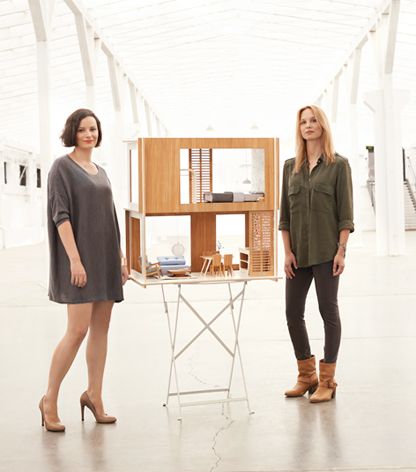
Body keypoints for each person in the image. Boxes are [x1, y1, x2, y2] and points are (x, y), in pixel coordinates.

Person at [39, 109, 129, 432]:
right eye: (83, 129)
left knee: (101, 330)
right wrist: (75, 260)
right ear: (72, 133)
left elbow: (111, 218)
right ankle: (49, 400)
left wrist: (119, 257)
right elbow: (60, 216)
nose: (89, 134)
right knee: (77, 331)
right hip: (79, 261)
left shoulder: (100, 171)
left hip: (105, 259)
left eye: (93, 129)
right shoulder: (61, 168)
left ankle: (95, 396)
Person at [278, 105, 354, 403]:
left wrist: (341, 251)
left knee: (328, 312)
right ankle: (306, 375)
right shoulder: (289, 167)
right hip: (297, 254)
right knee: (292, 313)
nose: (308, 126)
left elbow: (345, 215)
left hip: (325, 252)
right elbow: (285, 215)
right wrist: (287, 252)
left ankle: (328, 380)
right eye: (303, 122)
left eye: (313, 121)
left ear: (322, 125)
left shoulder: (338, 166)